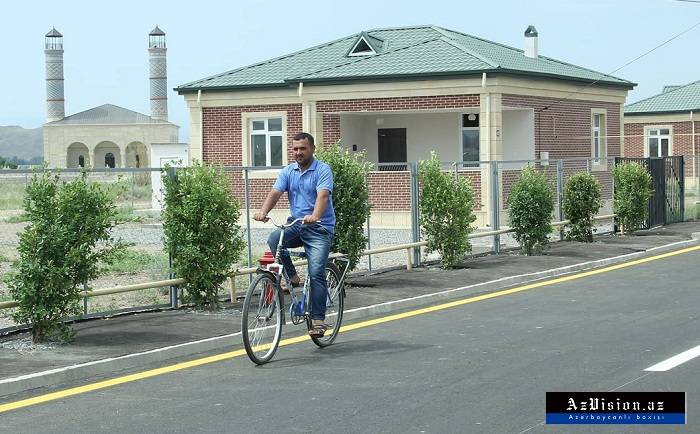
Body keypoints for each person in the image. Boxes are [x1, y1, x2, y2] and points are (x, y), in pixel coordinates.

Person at [253, 132, 335, 338]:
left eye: (303, 149)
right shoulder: (289, 171)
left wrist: (315, 216)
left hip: (319, 228)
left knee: (316, 272)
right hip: (297, 225)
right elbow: (275, 193)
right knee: (274, 238)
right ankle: (292, 276)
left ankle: (318, 320)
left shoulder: (322, 170)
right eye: (296, 149)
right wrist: (264, 212)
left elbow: (323, 196)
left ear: (312, 149)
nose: (299, 152)